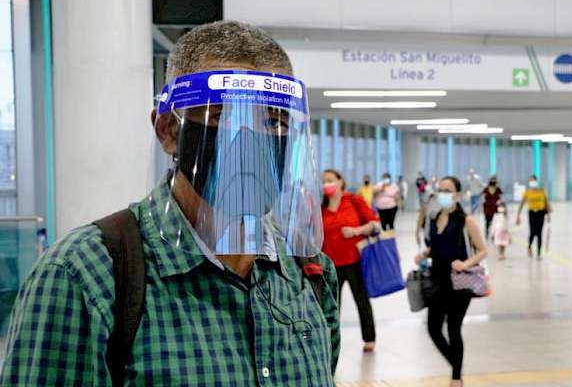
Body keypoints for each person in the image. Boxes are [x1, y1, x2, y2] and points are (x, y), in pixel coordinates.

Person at [0, 21, 340, 385]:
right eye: (224, 117)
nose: (253, 141)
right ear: (168, 130)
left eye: (274, 122)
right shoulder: (85, 276)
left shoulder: (311, 275)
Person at [414, 176, 487, 387]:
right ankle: (457, 365)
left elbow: (482, 251)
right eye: (440, 190)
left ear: (456, 195)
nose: (442, 194)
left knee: (454, 329)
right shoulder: (435, 217)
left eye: (447, 190)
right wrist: (424, 254)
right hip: (437, 281)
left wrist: (465, 264)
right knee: (433, 329)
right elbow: (435, 247)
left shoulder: (467, 221)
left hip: (459, 283)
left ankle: (456, 377)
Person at [321, 170, 381, 352]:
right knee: (330, 306)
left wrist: (356, 231)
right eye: (324, 182)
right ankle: (330, 341)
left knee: (361, 300)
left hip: (355, 261)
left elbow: (375, 224)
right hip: (329, 265)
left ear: (341, 182)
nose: (326, 185)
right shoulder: (319, 207)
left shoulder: (353, 200)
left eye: (330, 181)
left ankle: (369, 338)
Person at [516, 176, 551, 259]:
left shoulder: (542, 191)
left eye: (534, 180)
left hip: (541, 213)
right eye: (531, 180)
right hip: (532, 213)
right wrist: (518, 215)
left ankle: (539, 253)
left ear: (536, 181)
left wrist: (548, 215)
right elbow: (522, 203)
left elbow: (546, 203)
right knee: (532, 232)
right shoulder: (527, 192)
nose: (532, 182)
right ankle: (529, 247)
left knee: (539, 233)